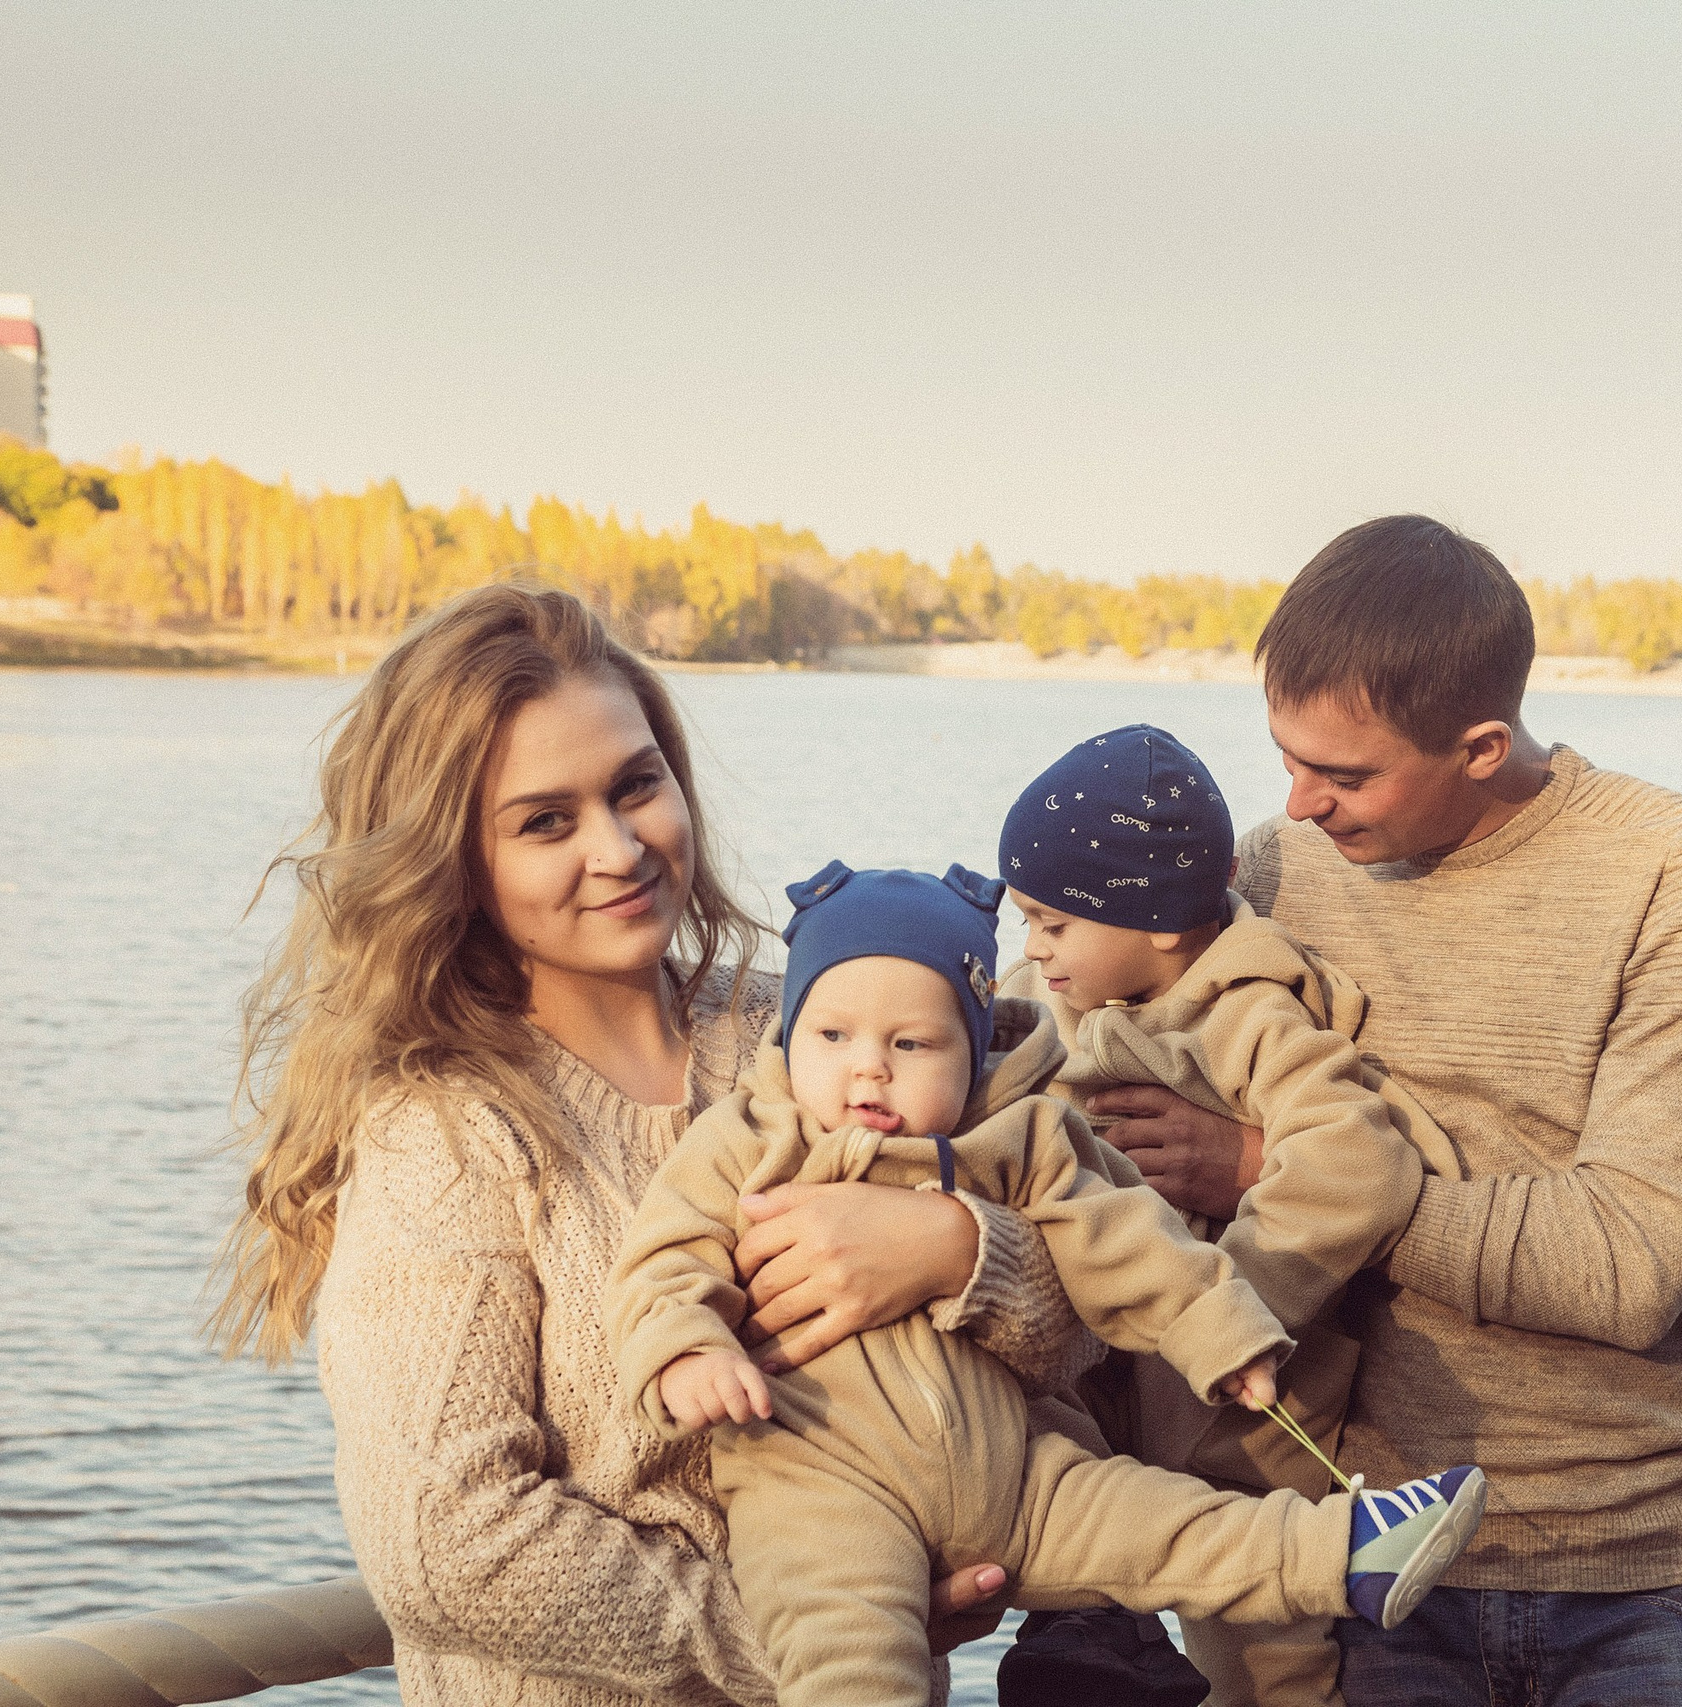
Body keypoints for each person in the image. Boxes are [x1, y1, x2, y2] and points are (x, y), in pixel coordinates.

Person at [213, 584, 1101, 1707]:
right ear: (455, 860)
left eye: (638, 786)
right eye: (546, 821)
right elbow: (448, 1546)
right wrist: (831, 1626)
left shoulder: (821, 1032)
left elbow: (1099, 1326)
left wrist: (959, 1252)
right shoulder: (445, 1133)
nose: (620, 847)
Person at [1091, 516, 1682, 1706]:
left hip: (1637, 1573)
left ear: (1480, 746)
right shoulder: (1270, 870)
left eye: (1346, 775)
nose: (1301, 805)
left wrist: (1271, 1169)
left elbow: (1628, 1265)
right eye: (1285, 757)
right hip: (1359, 1561)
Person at [606, 860, 1489, 1707]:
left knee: (1176, 1527)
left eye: (912, 1043)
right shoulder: (744, 1140)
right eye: (831, 1036)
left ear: (975, 1047)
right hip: (820, 1480)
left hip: (1020, 1471)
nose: (868, 1068)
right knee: (849, 1663)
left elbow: (1129, 1240)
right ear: (790, 1032)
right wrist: (687, 1351)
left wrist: (1223, 1335)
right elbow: (666, 1259)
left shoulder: (1021, 1139)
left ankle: (1355, 1548)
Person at [996, 724, 1463, 1707]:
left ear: (1161, 924)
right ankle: (1089, 1629)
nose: (1031, 946)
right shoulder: (1045, 997)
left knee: (1267, 1657)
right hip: (1099, 1392)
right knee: (1052, 1534)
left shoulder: (1247, 1013)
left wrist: (1222, 1310)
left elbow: (1358, 1166)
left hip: (1246, 1412)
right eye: (1021, 919)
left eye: (1053, 922)